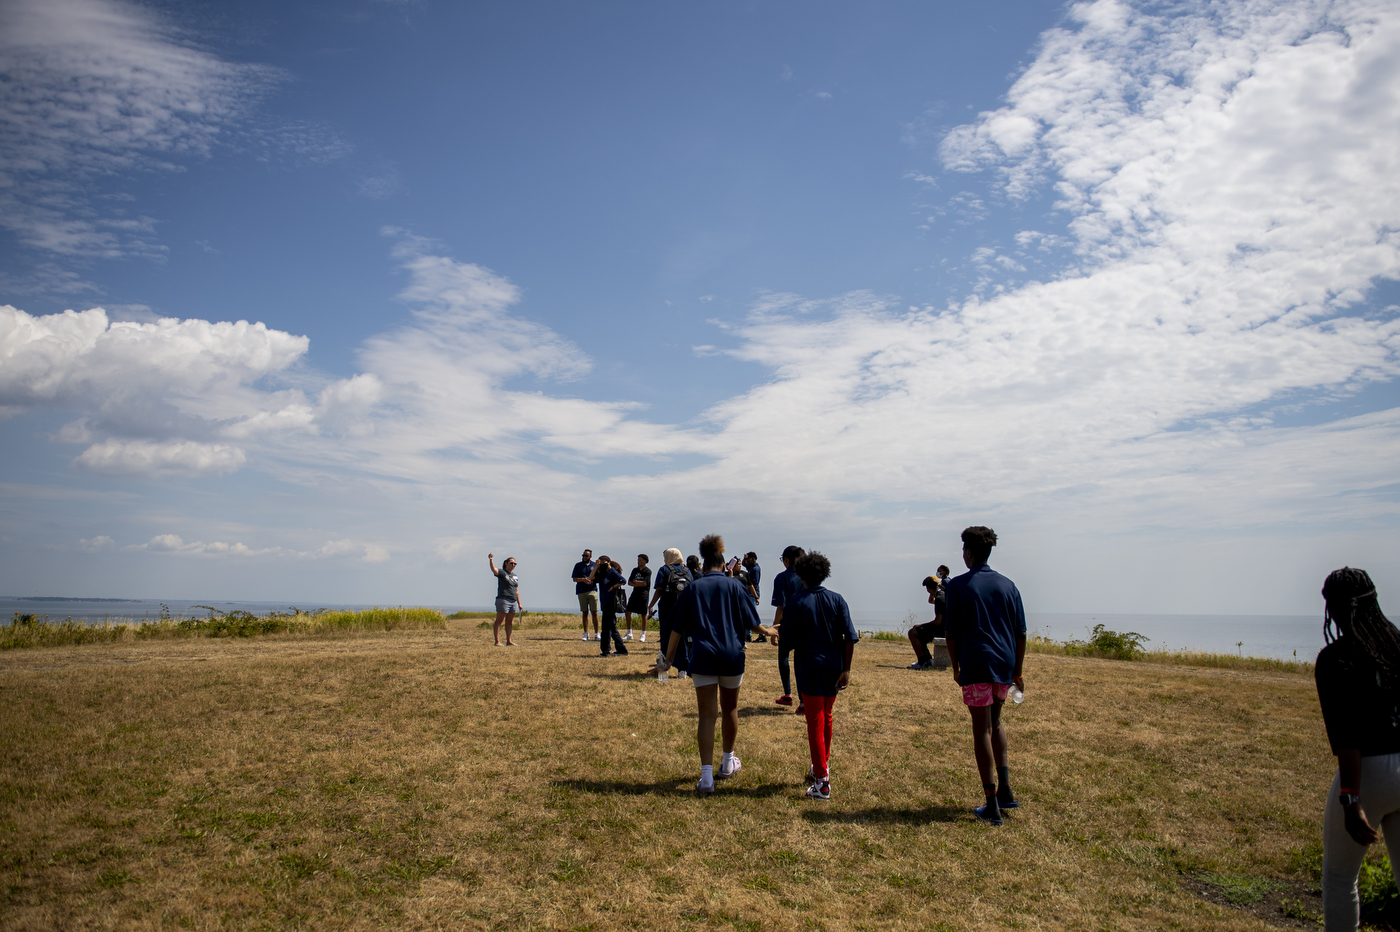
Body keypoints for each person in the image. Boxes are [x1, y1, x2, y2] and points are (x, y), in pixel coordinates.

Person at [653, 534, 777, 793]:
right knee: (730, 709)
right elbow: (752, 623)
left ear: (704, 565)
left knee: (706, 716)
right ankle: (728, 762)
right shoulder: (736, 587)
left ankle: (706, 777)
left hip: (703, 656)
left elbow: (676, 628)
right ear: (723, 565)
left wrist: (668, 660)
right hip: (732, 655)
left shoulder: (693, 588)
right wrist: (768, 632)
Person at [1314, 567, 1400, 931]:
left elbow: (1347, 737)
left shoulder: (1336, 660)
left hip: (1368, 775)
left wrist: (1351, 800)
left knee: (1339, 877)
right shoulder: (1397, 646)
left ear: (1333, 610)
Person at [944, 526, 1025, 826]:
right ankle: (1005, 790)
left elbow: (951, 633)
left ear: (968, 552)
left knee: (982, 729)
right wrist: (1017, 670)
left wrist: (955, 666)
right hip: (1004, 664)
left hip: (977, 663)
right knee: (996, 721)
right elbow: (1021, 632)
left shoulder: (959, 586)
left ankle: (991, 803)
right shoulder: (1008, 585)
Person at [778, 551, 858, 801]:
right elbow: (849, 637)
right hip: (834, 666)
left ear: (801, 575)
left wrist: (776, 637)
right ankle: (822, 763)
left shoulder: (797, 601)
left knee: (815, 720)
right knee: (827, 714)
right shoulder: (837, 599)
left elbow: (788, 640)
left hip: (810, 666)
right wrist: (846, 669)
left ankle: (822, 782)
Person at [770, 545, 806, 705]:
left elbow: (781, 606)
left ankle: (788, 694)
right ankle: (804, 700)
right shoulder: (806, 577)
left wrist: (774, 626)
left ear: (786, 560)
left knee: (783, 657)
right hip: (805, 623)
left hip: (787, 624)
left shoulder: (781, 578)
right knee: (801, 662)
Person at [648, 548, 692, 677]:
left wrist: (651, 605)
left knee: (666, 637)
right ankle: (683, 669)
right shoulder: (687, 571)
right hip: (684, 608)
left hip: (667, 607)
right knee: (683, 637)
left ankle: (663, 666)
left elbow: (659, 590)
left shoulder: (664, 569)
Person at [908, 565, 951, 670]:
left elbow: (938, 621)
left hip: (941, 629)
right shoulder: (942, 594)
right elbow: (931, 601)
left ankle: (922, 661)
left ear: (928, 588)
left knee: (912, 632)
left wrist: (921, 625)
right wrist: (933, 593)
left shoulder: (940, 599)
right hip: (946, 627)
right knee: (919, 633)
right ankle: (926, 659)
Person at [592, 556, 629, 657]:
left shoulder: (612, 572)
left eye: (603, 563)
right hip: (604, 602)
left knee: (606, 628)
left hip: (611, 602)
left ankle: (605, 651)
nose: (602, 565)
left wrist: (613, 587)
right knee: (612, 627)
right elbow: (591, 578)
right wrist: (596, 566)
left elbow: (622, 580)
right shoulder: (602, 574)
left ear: (608, 562)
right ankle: (621, 650)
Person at [487, 553, 523, 647]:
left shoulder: (515, 576)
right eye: (511, 563)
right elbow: (494, 570)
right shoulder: (502, 572)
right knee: (499, 620)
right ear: (506, 563)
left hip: (513, 600)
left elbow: (517, 591)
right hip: (503, 599)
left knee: (509, 621)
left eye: (515, 564)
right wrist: (491, 560)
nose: (513, 565)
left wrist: (519, 603)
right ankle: (497, 641)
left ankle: (509, 641)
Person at [572, 549, 600, 641]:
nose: (584, 557)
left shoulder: (594, 566)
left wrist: (592, 579)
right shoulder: (578, 565)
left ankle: (597, 633)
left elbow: (598, 577)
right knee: (585, 612)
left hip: (592, 590)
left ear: (590, 556)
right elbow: (574, 579)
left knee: (594, 612)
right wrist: (583, 580)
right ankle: (586, 633)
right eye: (583, 556)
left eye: (586, 556)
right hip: (581, 591)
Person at [624, 554, 653, 642]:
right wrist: (637, 583)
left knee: (643, 614)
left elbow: (644, 583)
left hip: (643, 594)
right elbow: (629, 582)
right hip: (635, 593)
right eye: (638, 560)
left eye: (640, 560)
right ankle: (629, 633)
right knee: (628, 611)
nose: (638, 562)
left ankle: (643, 634)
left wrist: (636, 582)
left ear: (645, 561)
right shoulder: (635, 570)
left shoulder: (648, 571)